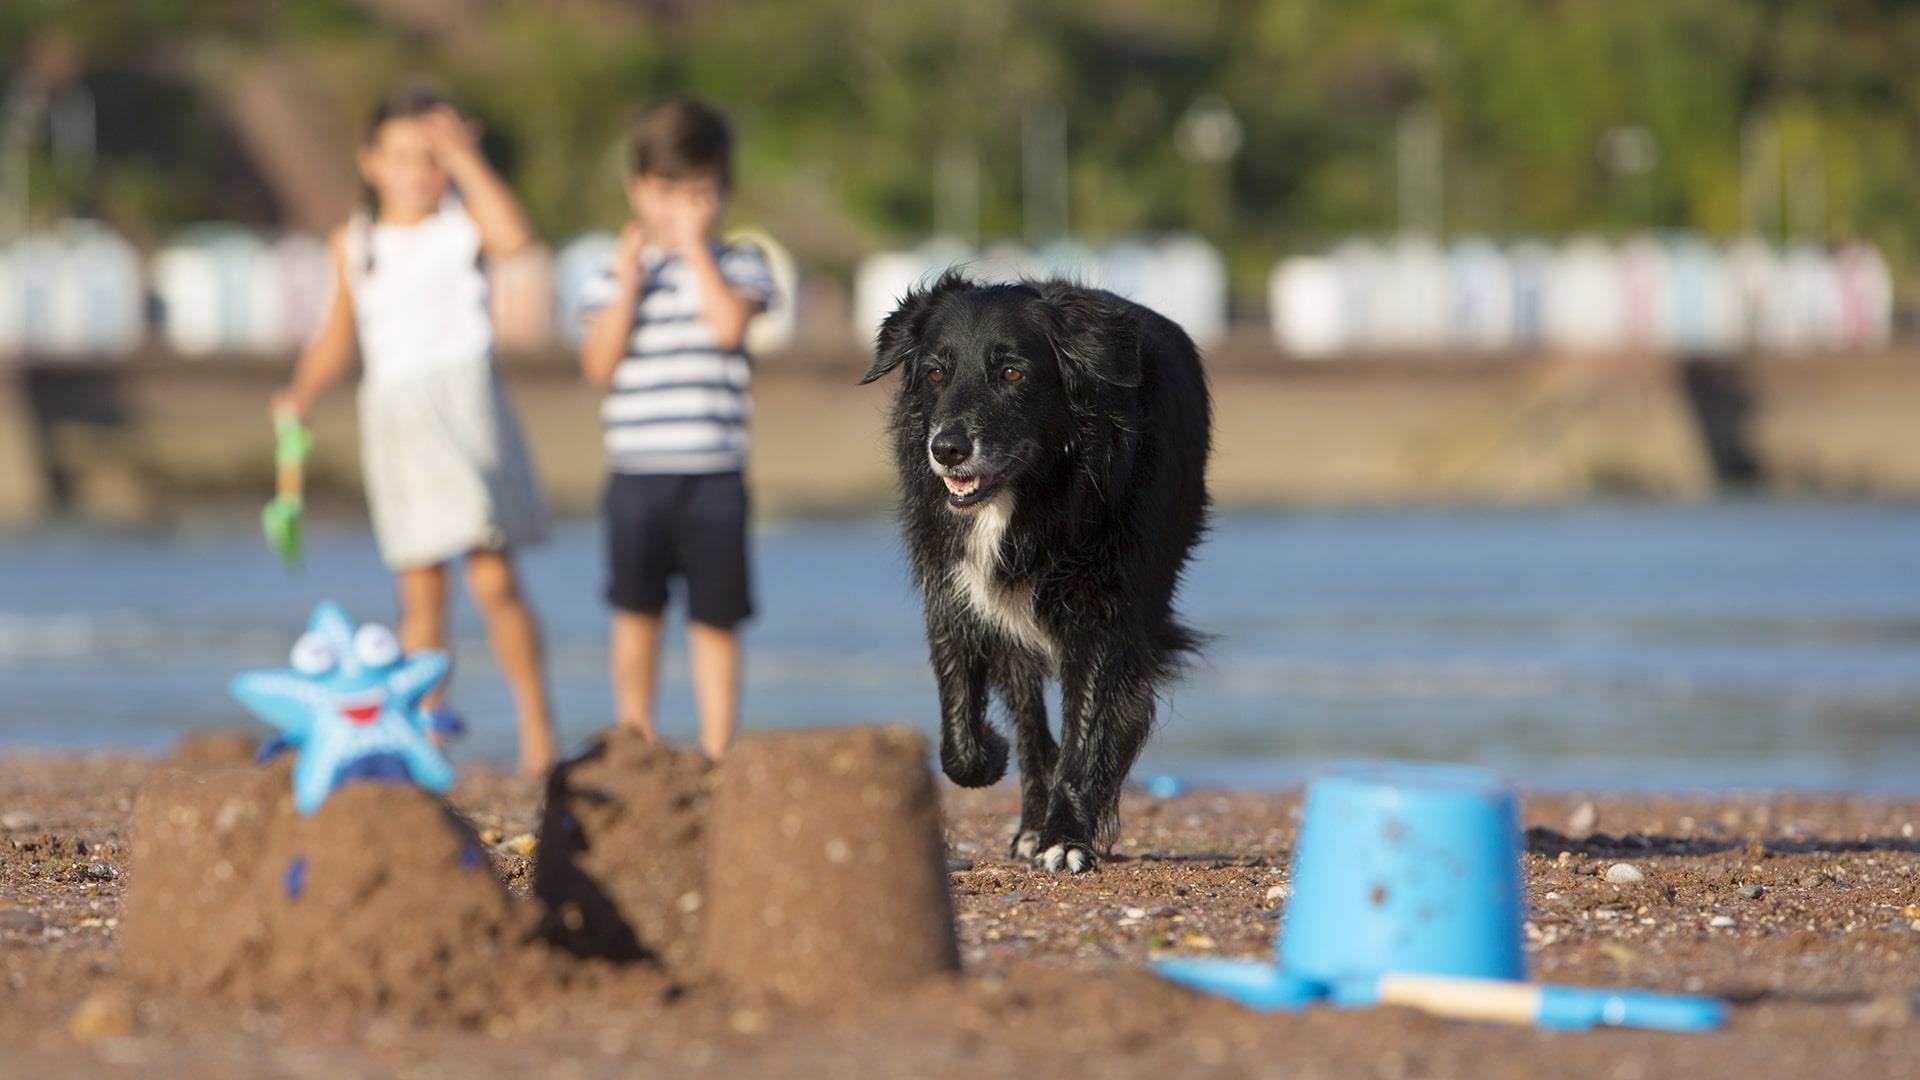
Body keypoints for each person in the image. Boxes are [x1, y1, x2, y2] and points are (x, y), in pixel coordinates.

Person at [272, 84, 558, 775]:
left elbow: (515, 239)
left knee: (494, 580)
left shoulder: (463, 223)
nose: (418, 172)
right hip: (395, 415)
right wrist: (303, 391)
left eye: (431, 158)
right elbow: (338, 332)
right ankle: (425, 731)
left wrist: (466, 158)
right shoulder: (357, 240)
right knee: (421, 593)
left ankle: (538, 726)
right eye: (402, 156)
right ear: (370, 161)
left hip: (467, 408)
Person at [578, 98, 775, 760]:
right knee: (636, 614)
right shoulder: (611, 272)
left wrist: (696, 253)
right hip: (636, 473)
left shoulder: (742, 263)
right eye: (666, 192)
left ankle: (718, 748)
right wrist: (629, 287)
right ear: (638, 190)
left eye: (699, 194)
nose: (681, 209)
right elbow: (598, 364)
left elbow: (727, 326)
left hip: (715, 473)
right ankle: (636, 736)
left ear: (724, 192)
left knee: (715, 619)